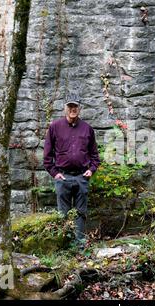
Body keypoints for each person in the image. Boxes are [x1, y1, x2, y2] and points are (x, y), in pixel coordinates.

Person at [43, 93, 100, 249]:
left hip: (82, 177)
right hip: (63, 177)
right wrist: (55, 173)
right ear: (65, 108)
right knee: (63, 213)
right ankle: (65, 246)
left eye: (75, 106)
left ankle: (80, 247)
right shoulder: (55, 127)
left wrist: (92, 170)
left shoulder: (87, 129)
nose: (72, 109)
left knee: (81, 213)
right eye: (70, 106)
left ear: (79, 108)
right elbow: (47, 156)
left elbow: (95, 155)